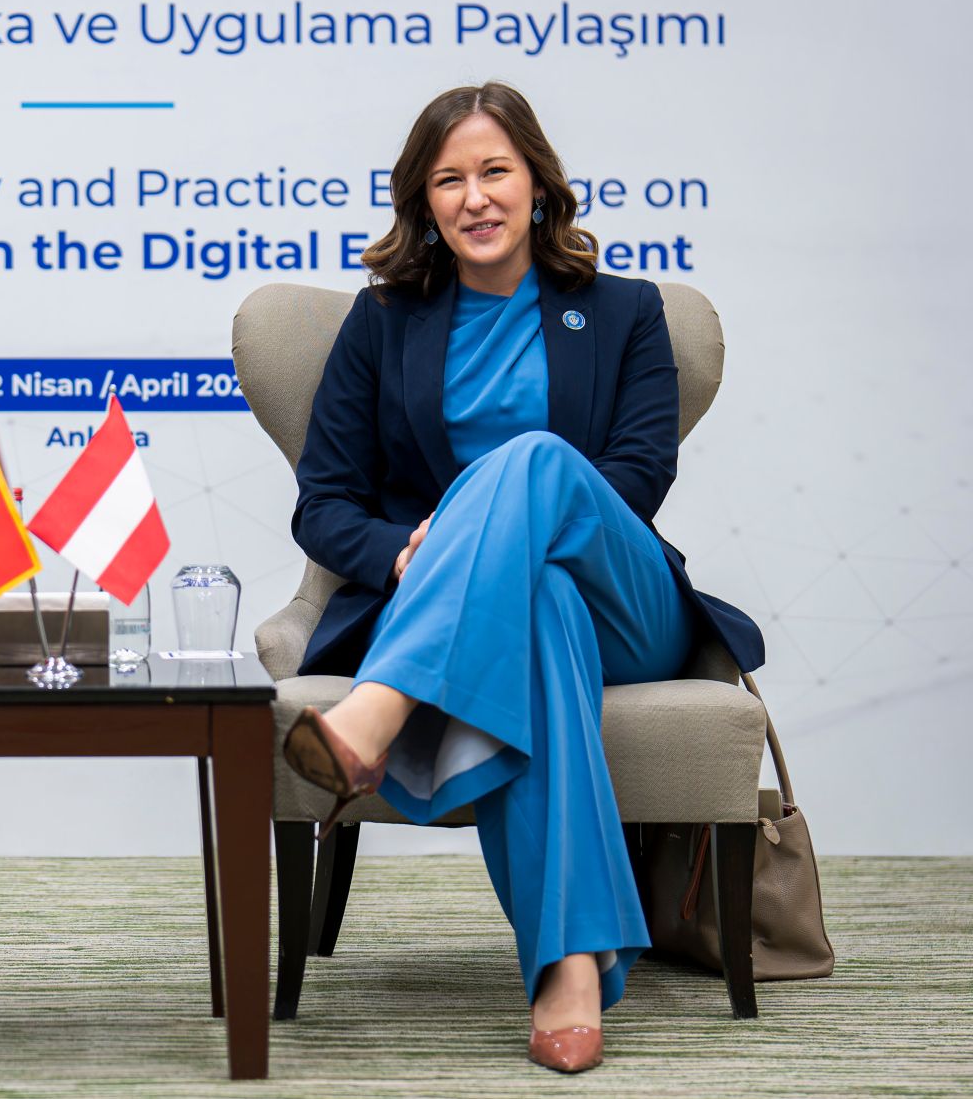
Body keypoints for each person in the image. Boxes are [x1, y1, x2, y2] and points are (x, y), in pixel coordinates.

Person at [280, 82, 763, 1074]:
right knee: (536, 610)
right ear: (422, 201)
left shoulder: (626, 312)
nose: (475, 197)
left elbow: (635, 478)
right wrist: (401, 553)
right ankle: (568, 967)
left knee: (536, 462)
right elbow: (323, 503)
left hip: (624, 601)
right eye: (447, 179)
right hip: (502, 613)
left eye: (494, 170)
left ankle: (376, 711)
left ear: (537, 182)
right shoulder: (383, 321)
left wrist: (490, 516)